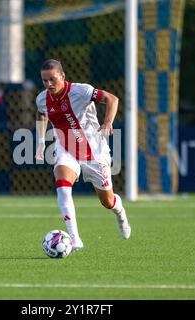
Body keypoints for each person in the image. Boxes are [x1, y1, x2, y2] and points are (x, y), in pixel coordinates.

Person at [35, 59, 131, 251]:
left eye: (52, 79)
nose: (48, 84)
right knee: (62, 184)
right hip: (66, 147)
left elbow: (112, 99)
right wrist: (41, 140)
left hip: (94, 150)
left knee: (107, 201)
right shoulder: (42, 98)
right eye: (44, 81)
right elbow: (41, 114)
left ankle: (120, 213)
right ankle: (74, 238)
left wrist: (107, 122)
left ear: (63, 76)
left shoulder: (81, 91)